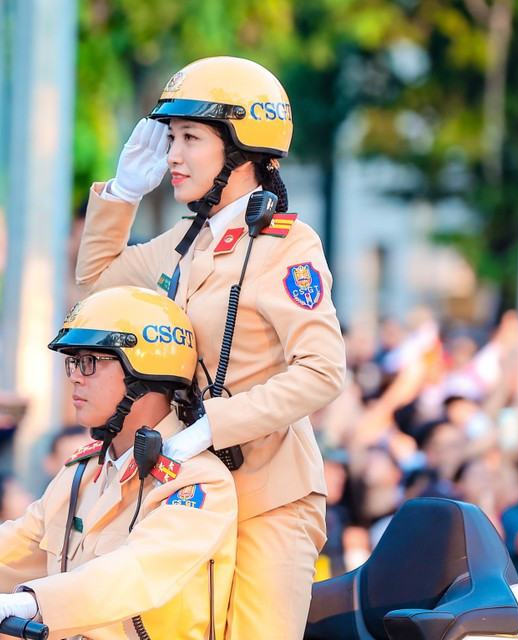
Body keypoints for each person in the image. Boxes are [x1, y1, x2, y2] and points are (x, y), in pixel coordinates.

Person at [75, 56, 346, 639]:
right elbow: (97, 286)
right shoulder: (186, 239)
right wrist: (121, 194)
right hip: (189, 490)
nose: (172, 155)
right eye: (171, 138)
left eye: (190, 138)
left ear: (243, 152)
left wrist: (209, 427)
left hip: (269, 494)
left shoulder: (287, 246)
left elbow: (323, 372)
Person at [0, 286, 237, 640]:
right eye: (73, 362)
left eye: (90, 362)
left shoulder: (197, 481)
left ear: (144, 374)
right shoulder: (82, 471)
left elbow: (137, 572)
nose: (75, 376)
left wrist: (30, 603)